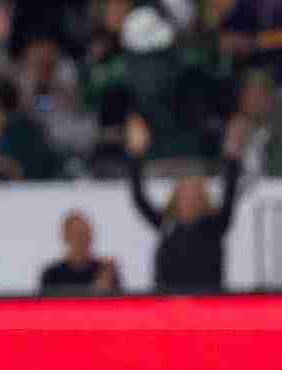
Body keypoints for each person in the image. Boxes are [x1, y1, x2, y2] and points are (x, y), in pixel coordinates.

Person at [126, 114, 244, 292]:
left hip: (206, 307)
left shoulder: (215, 225)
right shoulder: (166, 223)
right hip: (168, 307)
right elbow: (139, 198)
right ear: (176, 198)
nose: (189, 200)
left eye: (195, 195)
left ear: (203, 199)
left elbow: (230, 194)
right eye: (184, 195)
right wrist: (136, 153)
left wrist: (233, 153)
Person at [39, 211, 121, 295]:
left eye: (86, 234)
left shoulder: (105, 270)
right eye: (78, 234)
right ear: (66, 236)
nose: (83, 240)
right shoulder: (52, 275)